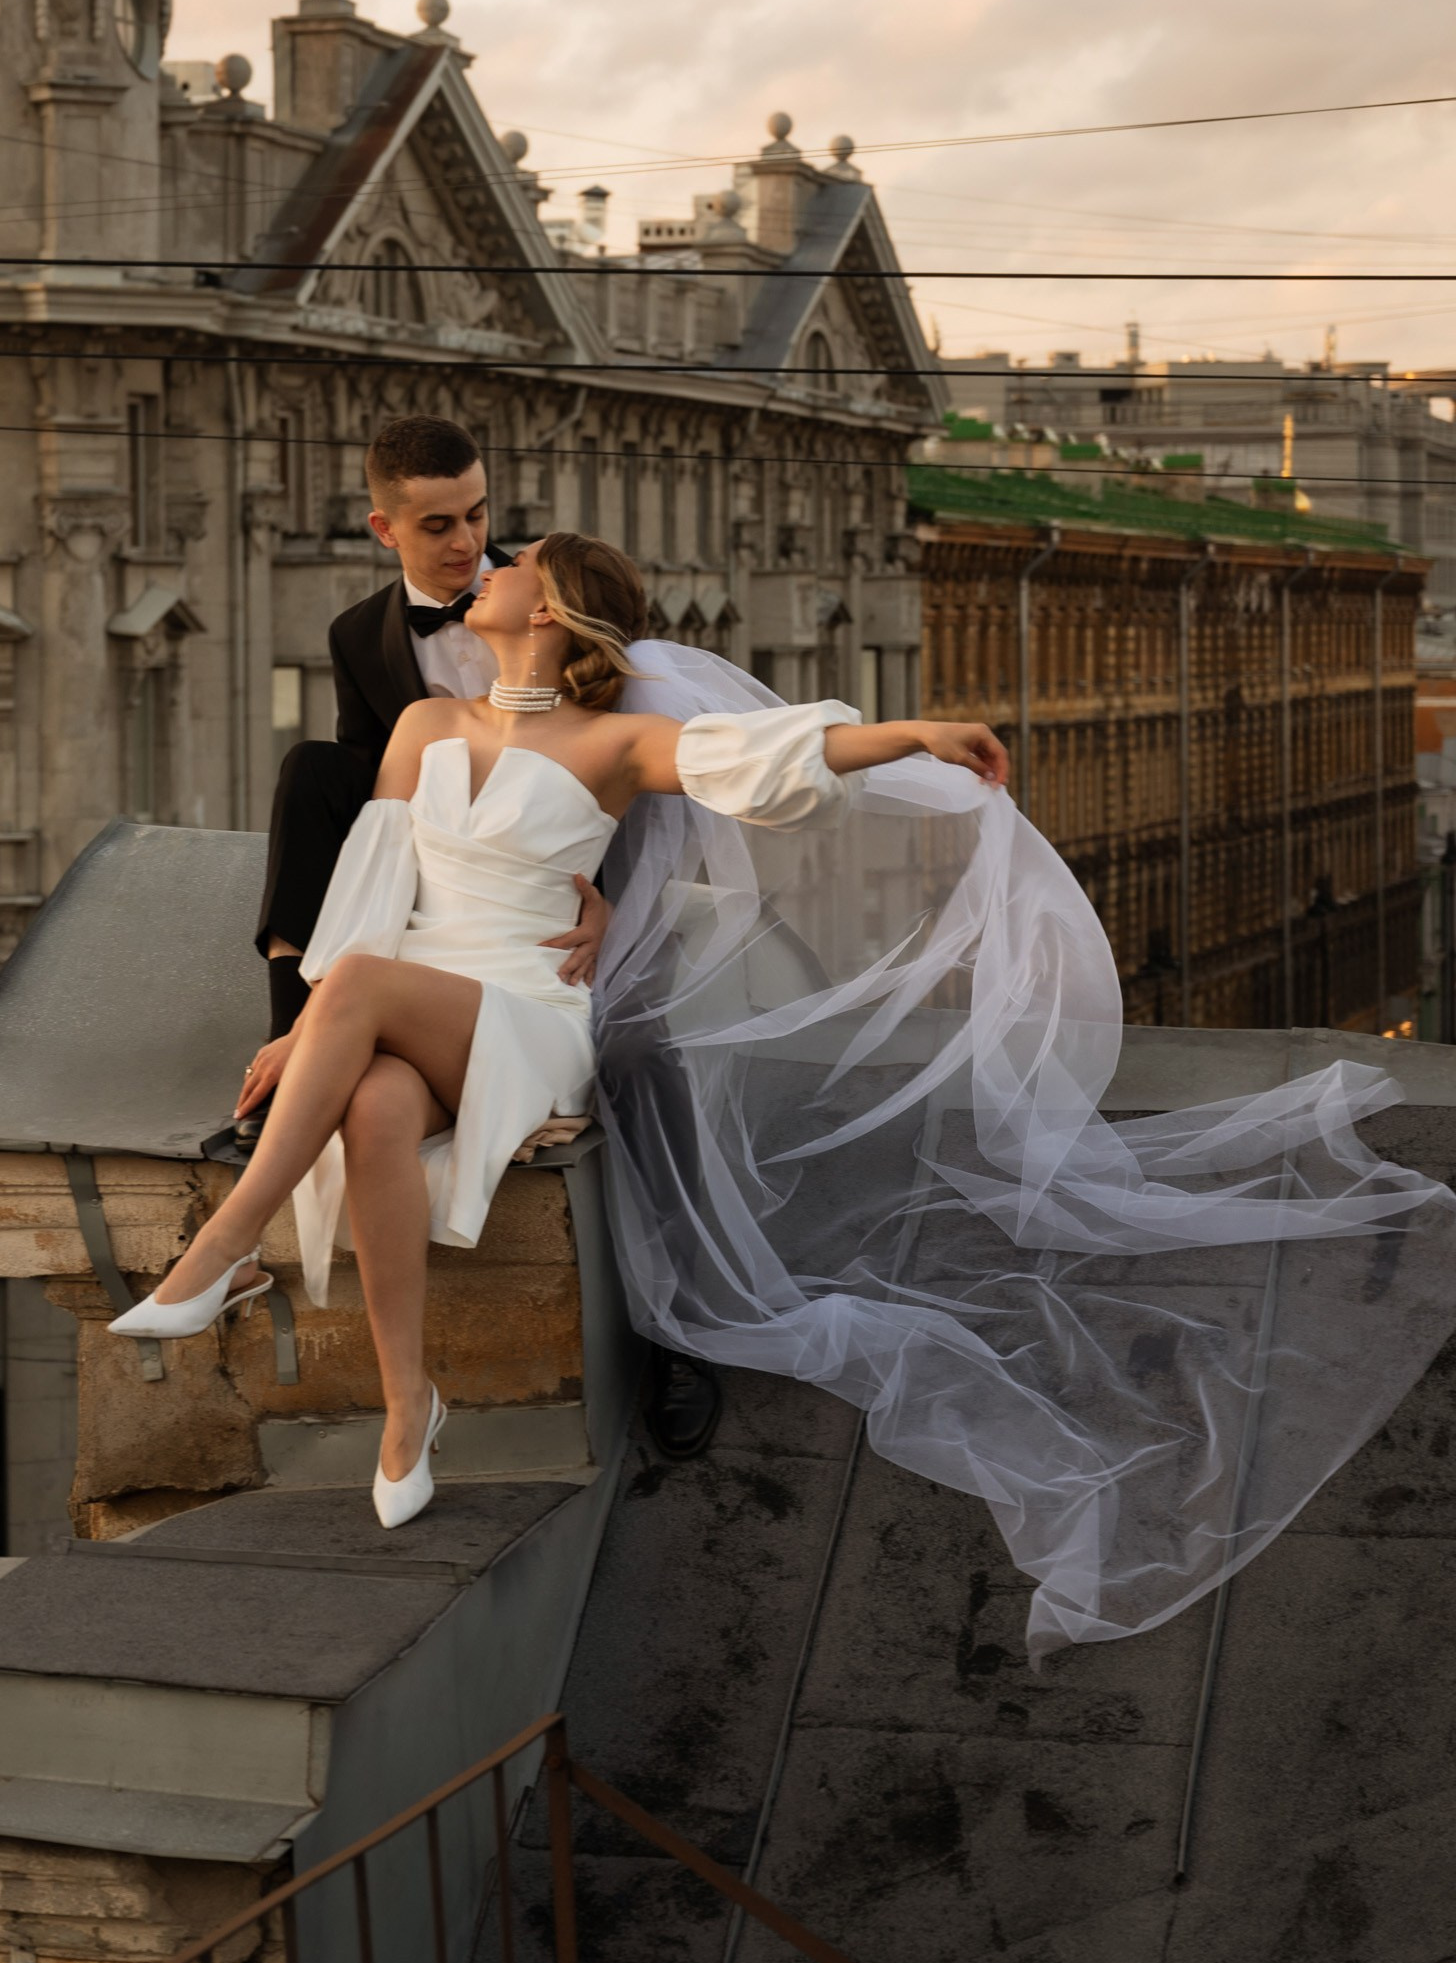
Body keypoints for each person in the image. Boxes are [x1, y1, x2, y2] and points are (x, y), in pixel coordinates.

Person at [114, 531, 1456, 1649]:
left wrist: (914, 731)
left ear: (555, 606)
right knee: (372, 1109)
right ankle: (412, 1403)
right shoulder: (418, 724)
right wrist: (322, 1027)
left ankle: (225, 1247)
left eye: (519, 556)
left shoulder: (610, 744)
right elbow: (373, 896)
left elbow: (769, 762)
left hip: (522, 1013)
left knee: (346, 1013)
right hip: (415, 991)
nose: (497, 559)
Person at [223, 413, 719, 1460]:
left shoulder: (552, 588)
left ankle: (682, 1335)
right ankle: (299, 1032)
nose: (468, 544)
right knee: (311, 767)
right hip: (445, 902)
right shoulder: (361, 637)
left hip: (570, 891)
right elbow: (377, 815)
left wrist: (611, 896)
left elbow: (647, 759)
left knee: (645, 1057)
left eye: (481, 515)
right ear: (383, 527)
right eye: (440, 524)